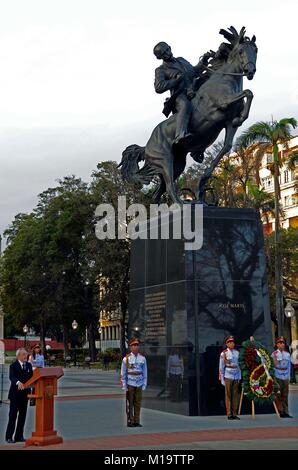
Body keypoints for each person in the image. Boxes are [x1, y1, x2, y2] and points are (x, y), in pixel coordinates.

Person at [153, 41, 212, 145]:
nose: (168, 53)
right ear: (159, 57)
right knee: (185, 106)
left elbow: (194, 71)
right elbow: (158, 87)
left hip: (194, 89)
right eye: (164, 53)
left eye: (168, 49)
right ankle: (180, 134)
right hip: (179, 95)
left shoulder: (181, 60)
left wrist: (204, 60)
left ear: (170, 47)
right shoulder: (160, 70)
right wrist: (175, 81)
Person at [5, 348, 33, 443]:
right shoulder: (13, 366)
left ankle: (19, 436)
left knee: (22, 417)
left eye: (26, 354)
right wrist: (18, 382)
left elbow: (32, 378)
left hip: (25, 395)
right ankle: (9, 437)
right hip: (15, 395)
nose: (26, 356)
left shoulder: (29, 365)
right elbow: (12, 377)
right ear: (18, 356)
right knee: (12, 416)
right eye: (24, 354)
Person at [120, 338, 147, 427]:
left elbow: (145, 372)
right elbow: (123, 373)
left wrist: (144, 383)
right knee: (130, 403)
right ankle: (130, 421)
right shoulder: (126, 359)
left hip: (139, 382)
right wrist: (124, 385)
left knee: (138, 403)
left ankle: (136, 421)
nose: (136, 347)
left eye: (137, 345)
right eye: (134, 345)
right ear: (130, 347)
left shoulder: (142, 358)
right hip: (130, 383)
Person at [219, 335, 241, 420]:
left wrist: (239, 376)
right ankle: (229, 414)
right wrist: (222, 378)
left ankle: (234, 413)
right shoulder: (224, 353)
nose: (232, 343)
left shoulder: (237, 352)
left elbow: (239, 365)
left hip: (236, 374)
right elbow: (221, 367)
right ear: (227, 344)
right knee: (228, 395)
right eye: (230, 342)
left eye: (233, 342)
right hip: (228, 374)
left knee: (235, 395)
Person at [271, 336, 292, 418]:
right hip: (278, 375)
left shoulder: (287, 354)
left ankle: (286, 411)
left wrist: (289, 377)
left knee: (285, 395)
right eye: (280, 343)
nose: (282, 344)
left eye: (283, 343)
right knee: (278, 394)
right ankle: (280, 411)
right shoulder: (274, 354)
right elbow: (273, 366)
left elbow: (289, 366)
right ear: (277, 345)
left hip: (285, 376)